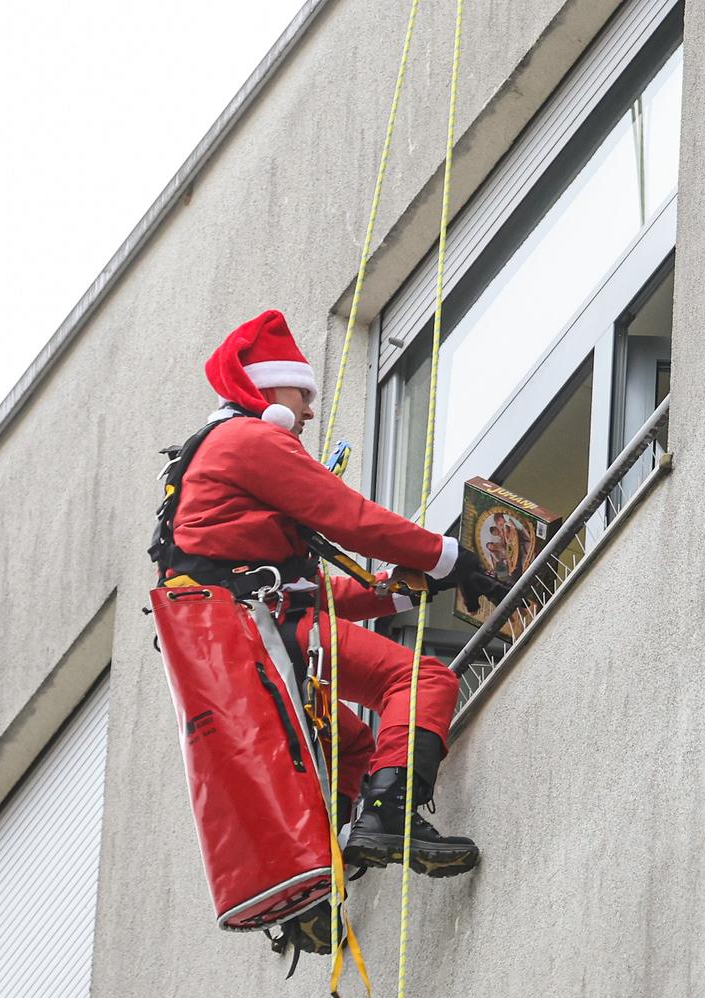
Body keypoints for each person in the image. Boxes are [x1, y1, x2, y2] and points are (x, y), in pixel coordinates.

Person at [164, 309, 507, 895]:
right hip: (263, 632)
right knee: (423, 680)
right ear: (269, 389)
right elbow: (349, 519)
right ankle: (389, 818)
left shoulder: (213, 457)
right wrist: (447, 556)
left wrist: (394, 590)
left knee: (352, 749)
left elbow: (298, 590)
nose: (308, 411)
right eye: (302, 394)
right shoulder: (250, 440)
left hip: (245, 643)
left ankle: (331, 869)